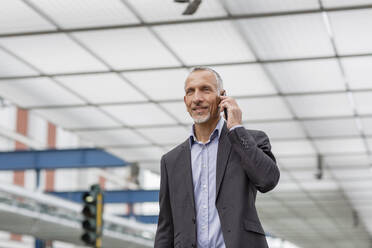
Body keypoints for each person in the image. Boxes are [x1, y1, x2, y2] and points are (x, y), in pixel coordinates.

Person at [154, 67, 280, 248]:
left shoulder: (249, 140)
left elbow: (268, 180)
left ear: (222, 97)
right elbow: (166, 227)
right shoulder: (171, 161)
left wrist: (236, 128)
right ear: (185, 101)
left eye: (205, 89)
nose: (197, 98)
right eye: (191, 92)